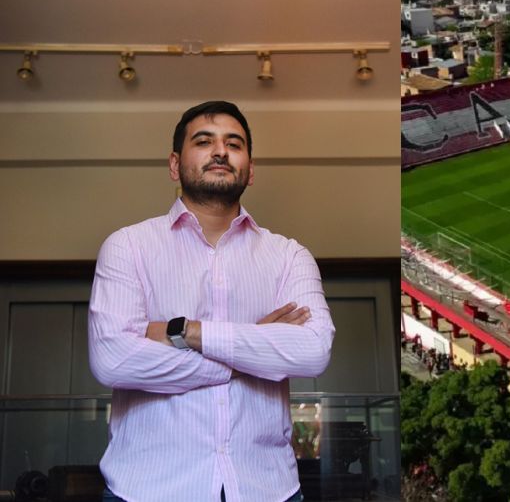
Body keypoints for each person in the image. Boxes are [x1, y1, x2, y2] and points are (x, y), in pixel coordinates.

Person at [88, 101, 336, 501]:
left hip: (268, 489)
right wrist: (253, 347)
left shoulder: (289, 256)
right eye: (204, 142)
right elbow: (113, 360)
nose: (220, 151)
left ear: (250, 170)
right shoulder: (128, 247)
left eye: (234, 144)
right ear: (174, 165)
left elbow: (313, 352)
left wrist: (188, 332)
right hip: (145, 490)